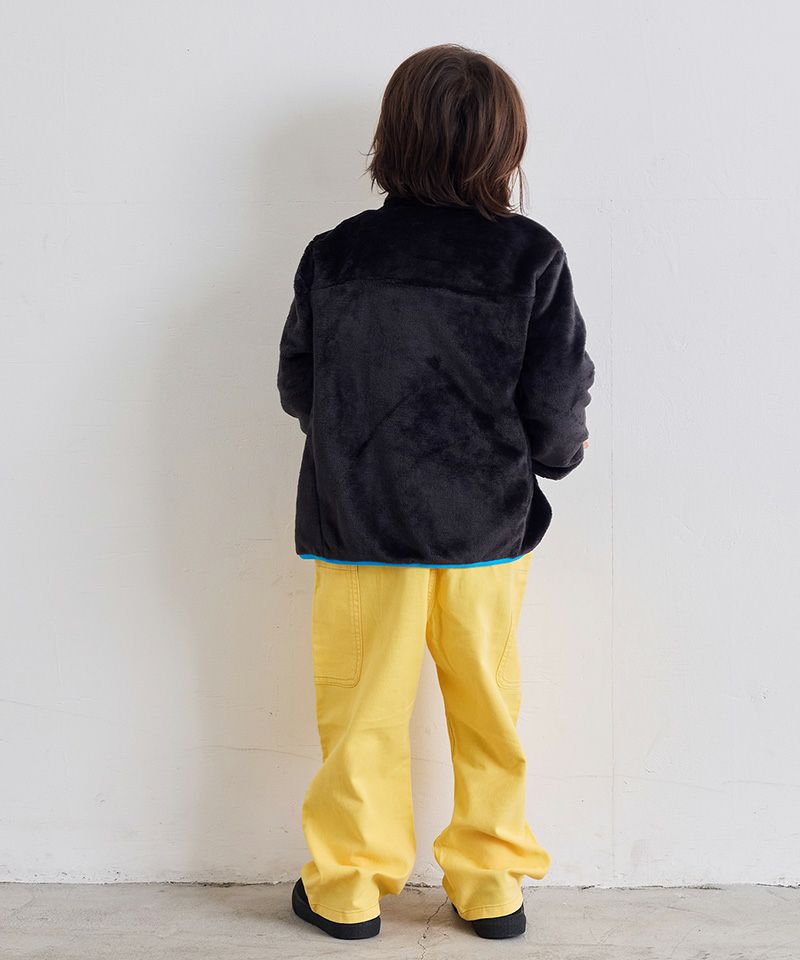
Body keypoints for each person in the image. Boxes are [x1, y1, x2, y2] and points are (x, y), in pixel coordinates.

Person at [277, 43, 594, 941]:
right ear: (503, 144)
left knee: (361, 712)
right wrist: (556, 461)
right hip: (484, 530)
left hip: (359, 526)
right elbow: (556, 401)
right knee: (488, 708)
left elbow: (300, 385)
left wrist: (356, 444)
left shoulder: (337, 255)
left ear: (393, 136)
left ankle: (347, 889)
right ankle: (491, 885)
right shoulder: (529, 256)